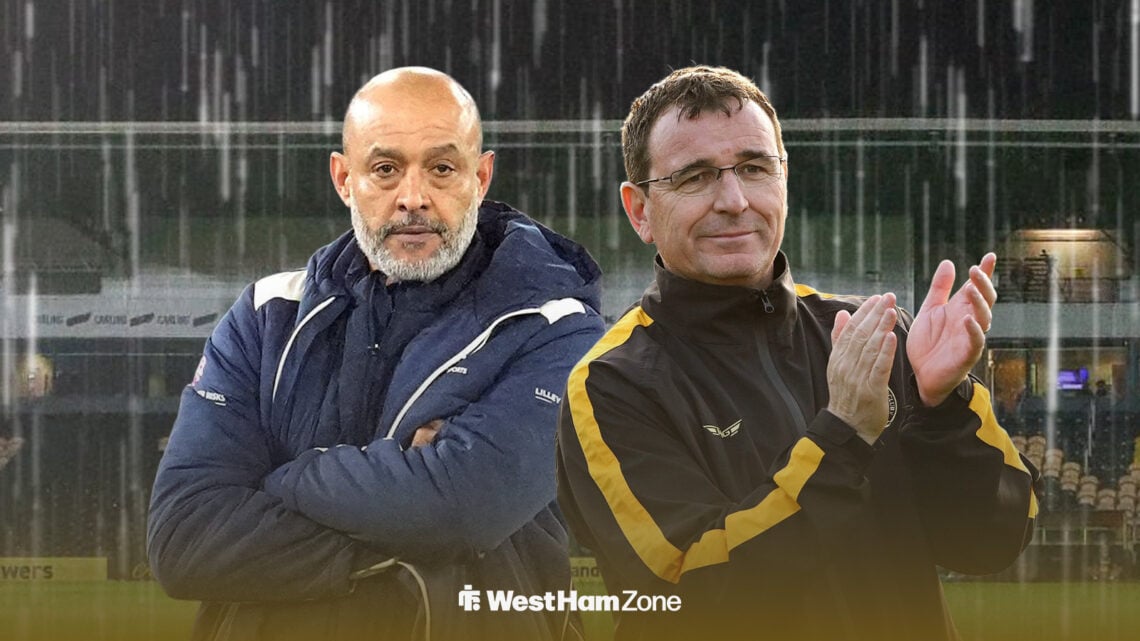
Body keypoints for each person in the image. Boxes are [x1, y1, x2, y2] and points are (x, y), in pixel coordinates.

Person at [556, 66, 1040, 641]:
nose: (733, 201)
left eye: (755, 168)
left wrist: (942, 407)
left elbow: (992, 542)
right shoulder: (612, 384)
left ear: (783, 181)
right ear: (640, 211)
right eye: (695, 177)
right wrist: (842, 437)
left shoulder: (875, 334)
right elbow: (689, 596)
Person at [148, 67, 604, 641]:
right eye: (385, 169)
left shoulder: (556, 327)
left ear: (481, 177)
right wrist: (411, 518)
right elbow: (186, 541)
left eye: (442, 168)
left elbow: (464, 509)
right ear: (344, 179)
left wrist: (287, 478)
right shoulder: (265, 316)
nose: (413, 198)